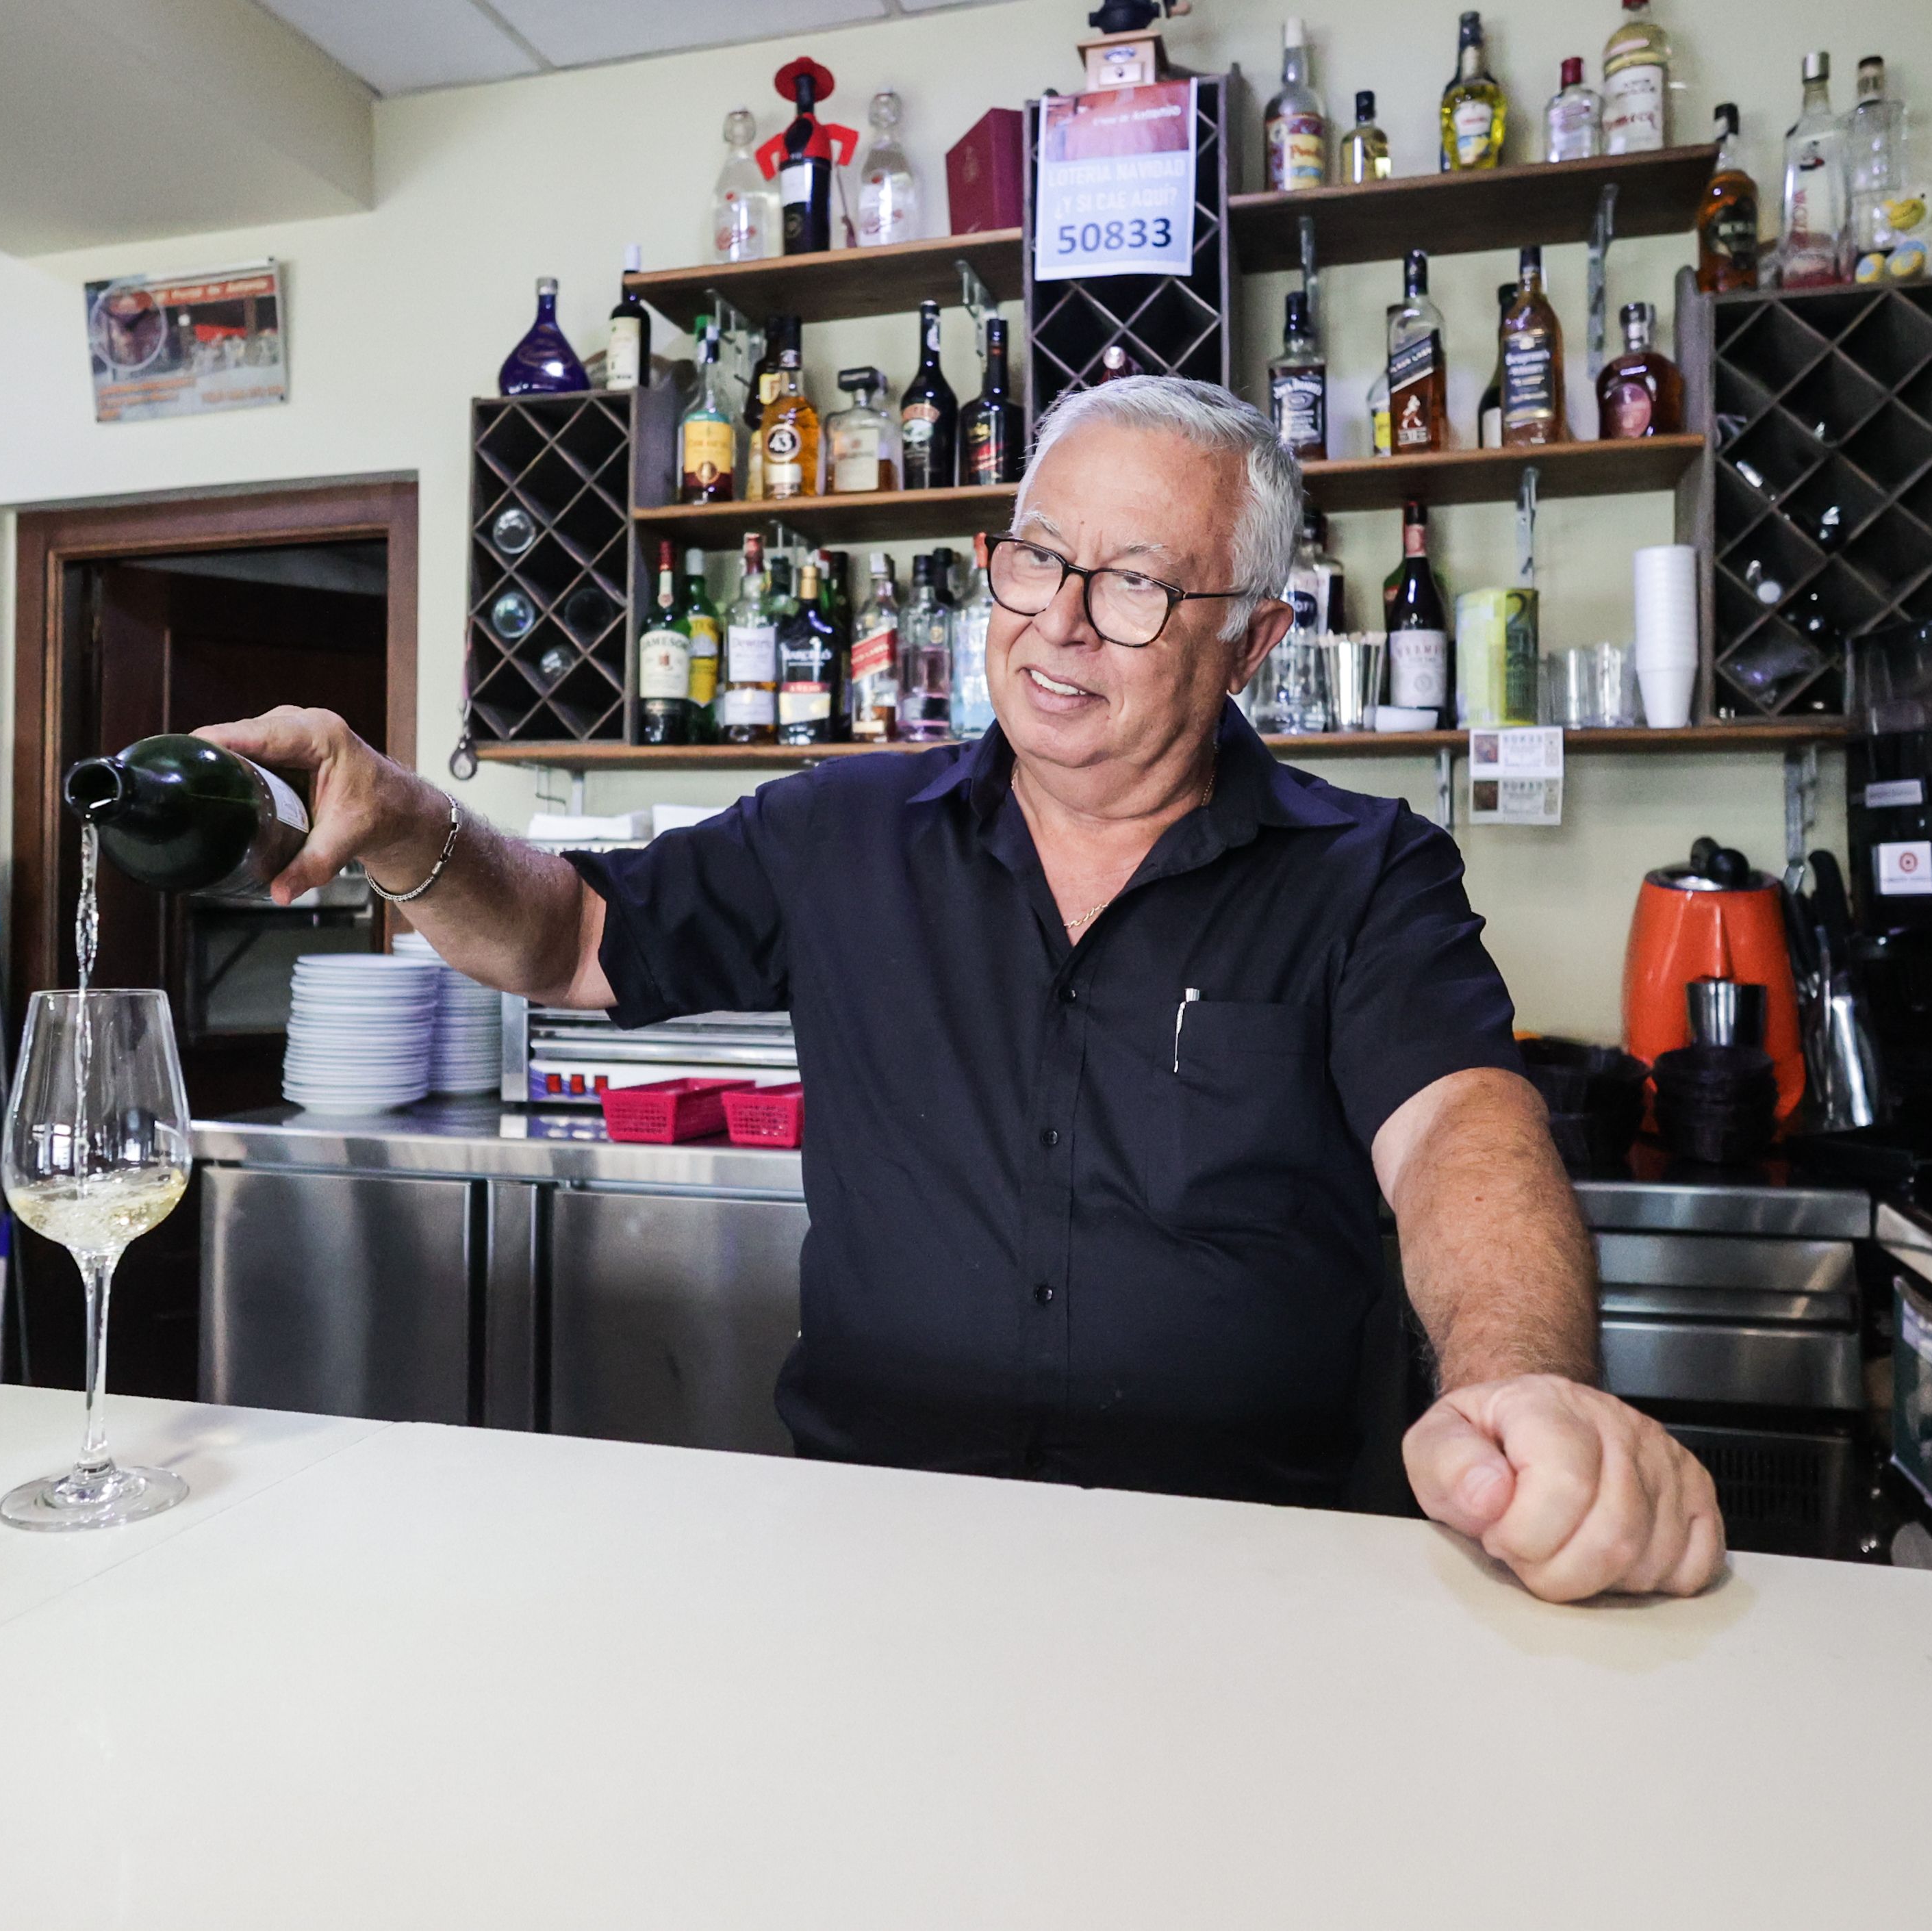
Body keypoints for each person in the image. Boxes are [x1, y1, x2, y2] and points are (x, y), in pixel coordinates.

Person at [201, 376, 1725, 1604]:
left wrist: (1525, 1390)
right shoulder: (837, 831)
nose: (1058, 619)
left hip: (1262, 1588)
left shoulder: (1363, 874)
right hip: (877, 1568)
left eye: (1135, 583)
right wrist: (409, 822)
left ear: (1253, 638)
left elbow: (1461, 1132)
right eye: (1036, 558)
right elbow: (561, 934)